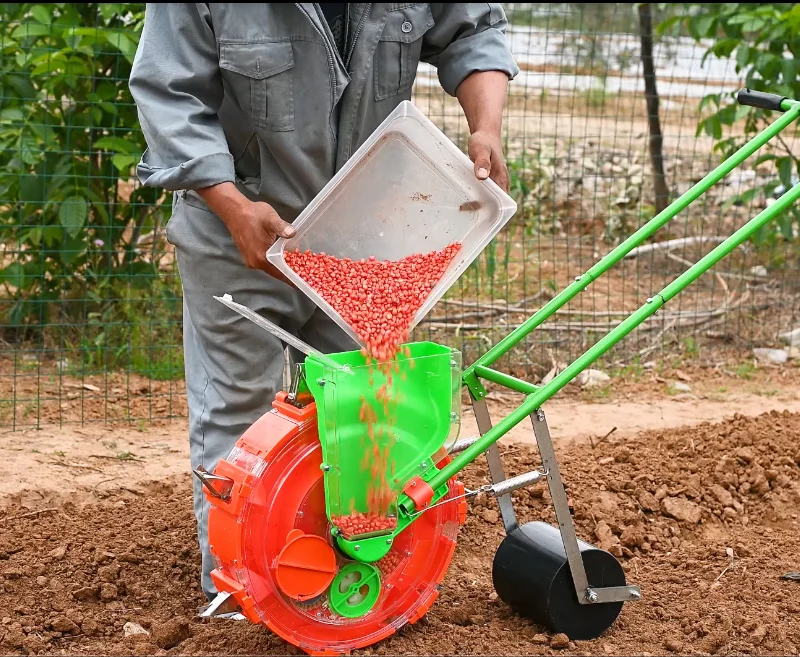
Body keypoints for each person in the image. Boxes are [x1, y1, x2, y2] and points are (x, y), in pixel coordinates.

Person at [129, 3, 518, 603]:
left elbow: (474, 32)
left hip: (364, 230)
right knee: (240, 415)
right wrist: (231, 206)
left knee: (365, 413)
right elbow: (167, 93)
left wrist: (486, 128)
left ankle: (349, 587)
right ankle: (244, 593)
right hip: (242, 223)